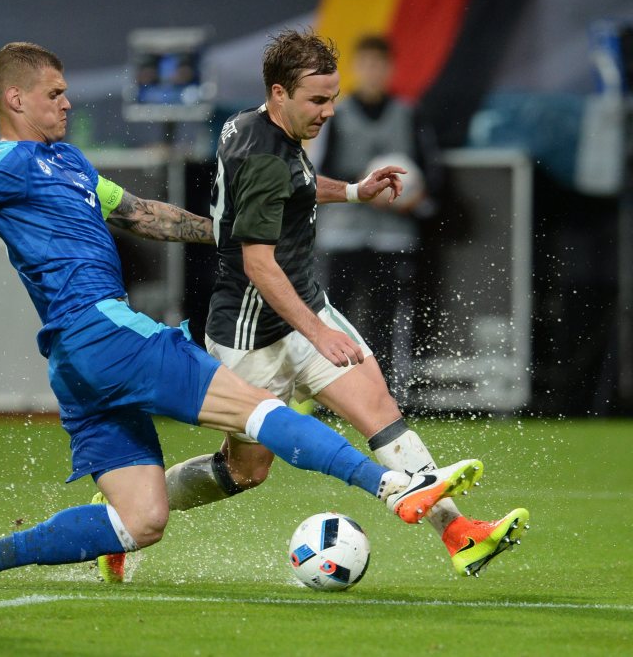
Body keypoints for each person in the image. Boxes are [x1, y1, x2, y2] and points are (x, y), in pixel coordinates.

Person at [0, 41, 484, 591]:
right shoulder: (6, 161)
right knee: (261, 412)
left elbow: (142, 214)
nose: (68, 102)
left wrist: (225, 236)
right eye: (55, 93)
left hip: (78, 362)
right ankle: (393, 487)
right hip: (107, 333)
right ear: (16, 99)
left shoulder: (67, 163)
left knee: (142, 521)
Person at [96, 29, 527, 584]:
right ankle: (120, 522)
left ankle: (459, 534)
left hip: (302, 308)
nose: (328, 111)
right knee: (246, 471)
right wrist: (319, 335)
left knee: (380, 411)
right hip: (251, 333)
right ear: (279, 93)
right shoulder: (261, 157)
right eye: (317, 100)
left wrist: (353, 191)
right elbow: (259, 265)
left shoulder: (254, 125)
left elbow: (295, 184)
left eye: (333, 98)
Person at [314, 34, 443, 400]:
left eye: (379, 64)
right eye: (366, 64)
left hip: (394, 236)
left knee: (389, 319)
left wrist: (411, 201)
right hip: (343, 234)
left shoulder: (409, 113)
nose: (373, 72)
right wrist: (359, 190)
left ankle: (387, 395)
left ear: (390, 68)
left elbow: (432, 176)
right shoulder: (333, 114)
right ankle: (336, 394)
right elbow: (317, 174)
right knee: (336, 317)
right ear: (356, 68)